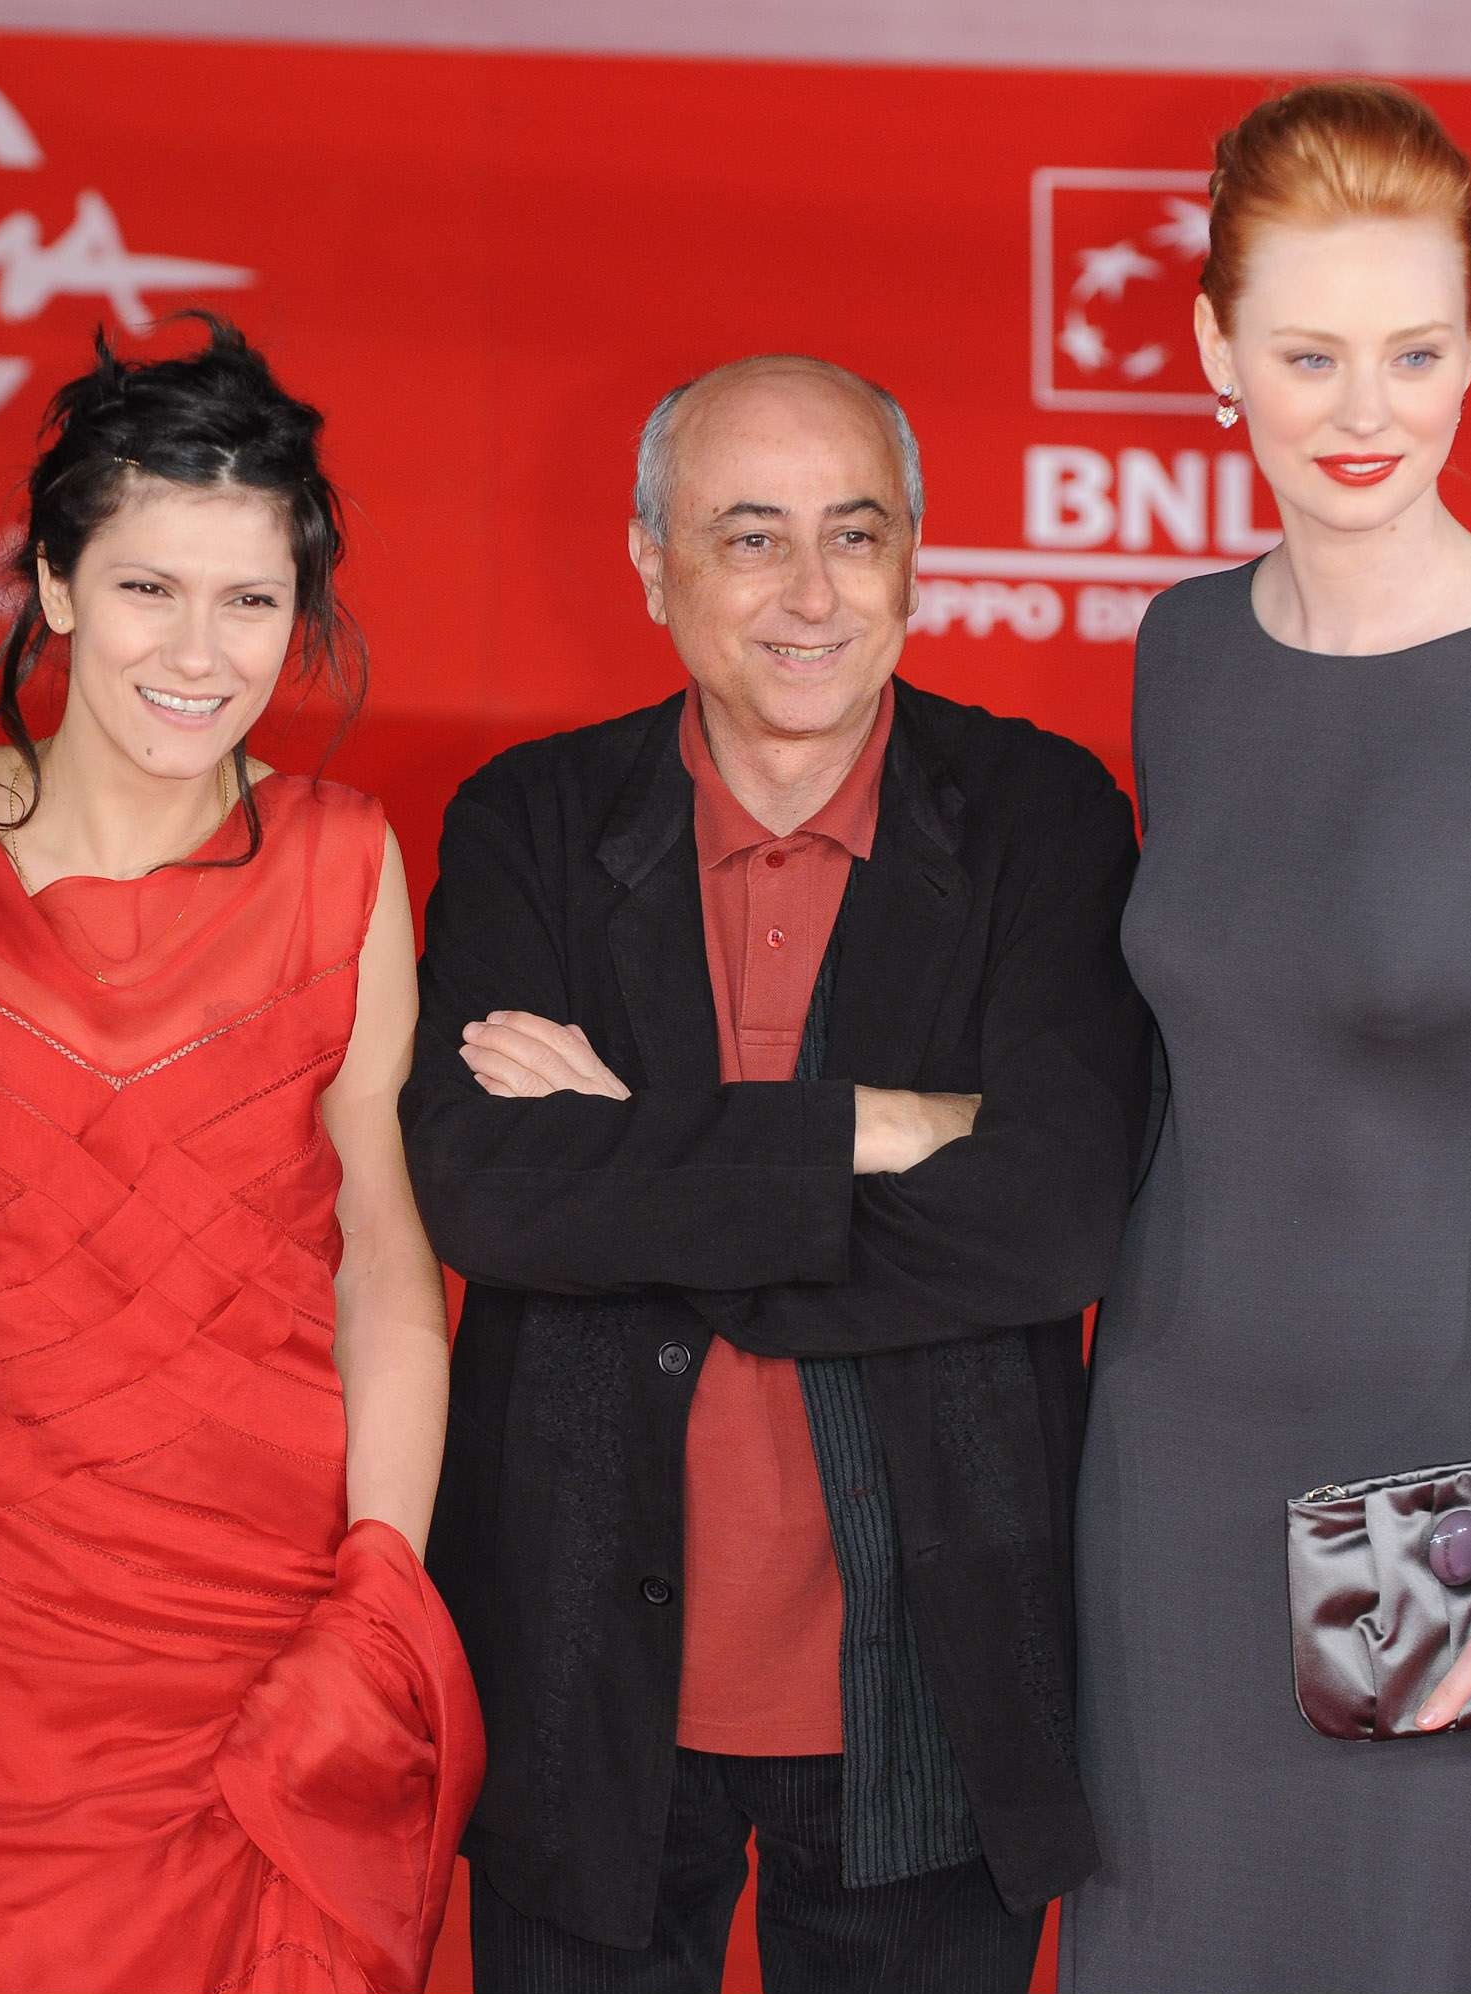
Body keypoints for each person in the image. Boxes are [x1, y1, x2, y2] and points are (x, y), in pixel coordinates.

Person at [1062, 81, 1471, 1993]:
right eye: (1310, 354)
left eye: (1415, 351)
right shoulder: (1185, 651)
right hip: (1166, 1478)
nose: (1366, 410)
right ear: (1214, 350)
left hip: (1444, 1523)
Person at [401, 355, 1156, 1994]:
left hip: (936, 1683)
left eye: (855, 534)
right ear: (650, 562)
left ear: (914, 560)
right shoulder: (530, 821)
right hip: (582, 1680)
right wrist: (874, 1127)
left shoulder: (1042, 816)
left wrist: (643, 1144)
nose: (812, 593)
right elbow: (488, 1192)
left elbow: (1052, 1220)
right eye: (750, 537)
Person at [0, 316, 481, 1994]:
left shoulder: (343, 864)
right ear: (54, 585)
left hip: (265, 1639)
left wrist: (381, 1586)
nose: (201, 651)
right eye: (147, 588)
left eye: (251, 600)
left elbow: (380, 1252)